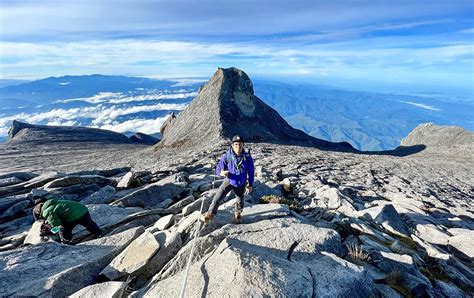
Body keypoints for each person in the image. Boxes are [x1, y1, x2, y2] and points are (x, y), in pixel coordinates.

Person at [201, 135, 254, 224]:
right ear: (232, 145)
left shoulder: (247, 157)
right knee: (217, 198)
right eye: (236, 144)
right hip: (229, 181)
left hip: (241, 182)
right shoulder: (227, 156)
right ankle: (210, 214)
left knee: (240, 200)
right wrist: (221, 173)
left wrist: (250, 184)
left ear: (243, 145)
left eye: (240, 144)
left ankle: (238, 213)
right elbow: (219, 168)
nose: (238, 146)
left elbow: (251, 171)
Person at [33, 199, 102, 244]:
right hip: (83, 210)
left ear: (39, 212)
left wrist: (53, 230)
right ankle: (98, 233)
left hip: (72, 216)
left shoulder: (46, 211)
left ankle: (66, 241)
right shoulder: (56, 202)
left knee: (66, 229)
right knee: (89, 224)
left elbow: (56, 223)